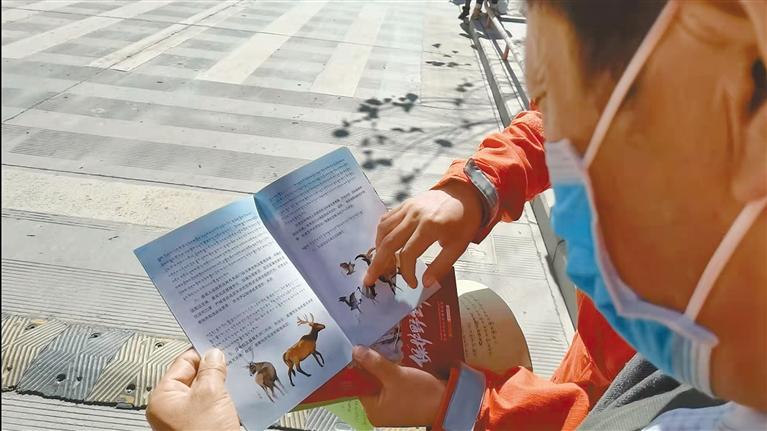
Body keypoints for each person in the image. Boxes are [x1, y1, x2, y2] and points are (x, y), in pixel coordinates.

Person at [146, 0, 767, 429]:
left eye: (607, 167)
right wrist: (478, 188)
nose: (576, 234)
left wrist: (459, 407)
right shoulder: (714, 333)